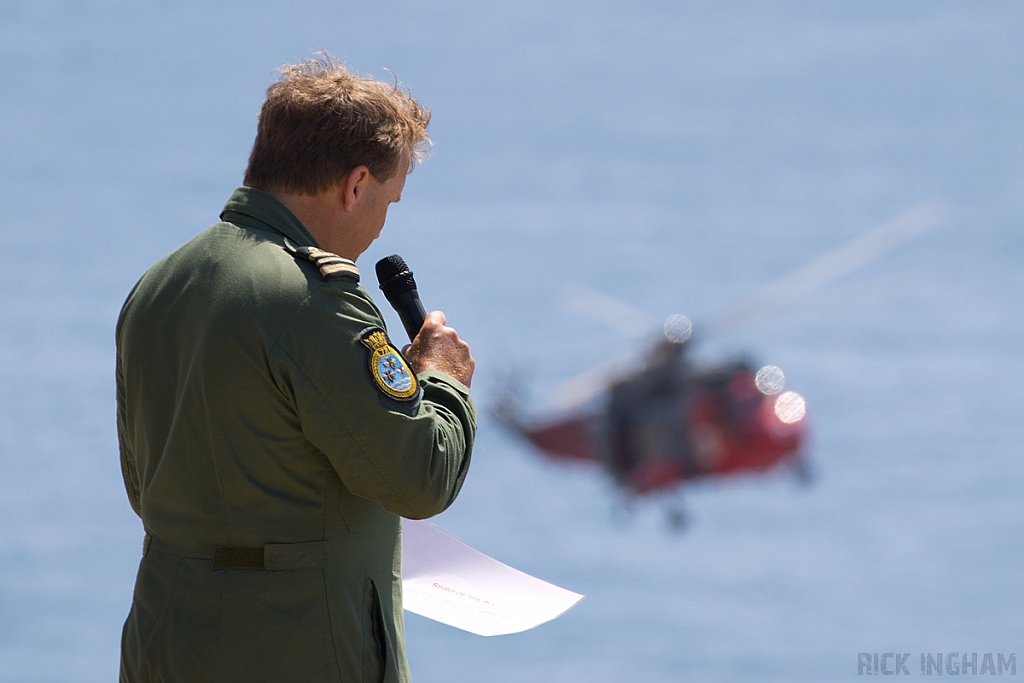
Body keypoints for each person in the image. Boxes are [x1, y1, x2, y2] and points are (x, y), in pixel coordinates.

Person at [116, 55, 476, 683]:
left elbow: (145, 489)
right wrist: (443, 381)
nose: (382, 220)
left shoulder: (159, 285)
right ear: (355, 184)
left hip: (164, 643)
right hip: (295, 648)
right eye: (388, 200)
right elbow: (421, 477)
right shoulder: (316, 300)